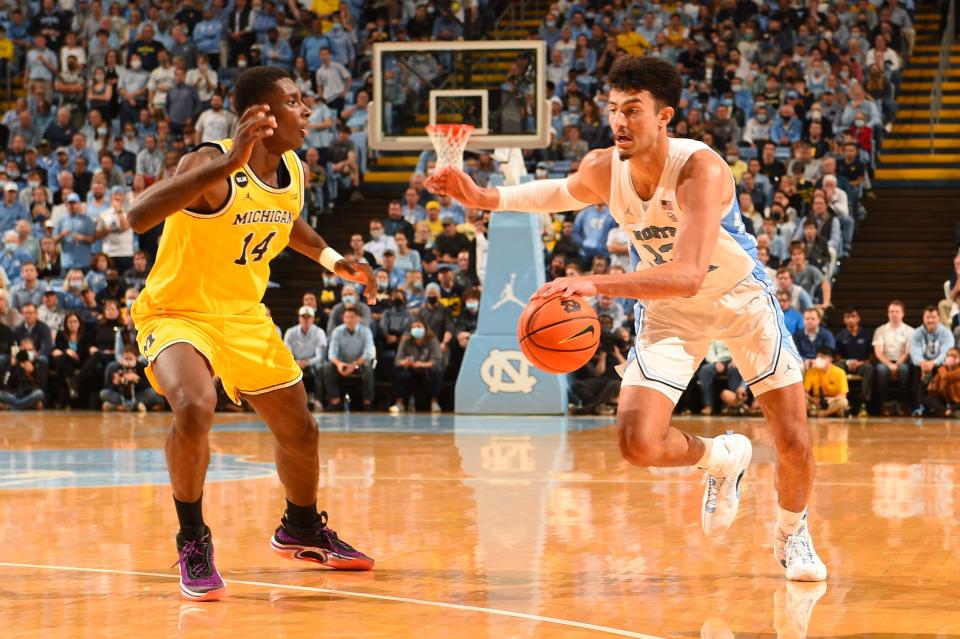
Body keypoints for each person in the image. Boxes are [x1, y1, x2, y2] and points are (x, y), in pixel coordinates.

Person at [426, 56, 826, 581]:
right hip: (670, 313)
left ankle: (792, 534)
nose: (619, 121)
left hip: (740, 299)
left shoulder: (699, 171)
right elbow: (557, 192)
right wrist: (483, 197)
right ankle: (721, 458)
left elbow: (686, 272)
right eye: (613, 109)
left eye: (633, 110)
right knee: (637, 442)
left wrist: (595, 284)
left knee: (793, 439)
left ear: (664, 116)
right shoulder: (603, 166)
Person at [125, 66, 376, 601]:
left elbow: (284, 220)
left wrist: (335, 260)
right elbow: (138, 215)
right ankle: (193, 539)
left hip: (243, 314)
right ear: (261, 116)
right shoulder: (208, 164)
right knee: (195, 405)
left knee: (301, 430)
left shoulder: (292, 168)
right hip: (178, 311)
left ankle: (302, 528)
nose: (306, 111)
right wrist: (230, 160)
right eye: (293, 101)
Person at [323, 306, 375, 411]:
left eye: (352, 317)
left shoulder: (366, 331)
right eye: (347, 317)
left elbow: (368, 354)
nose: (349, 319)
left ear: (358, 318)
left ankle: (367, 402)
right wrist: (339, 364)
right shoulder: (337, 331)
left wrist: (354, 365)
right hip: (342, 364)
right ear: (343, 318)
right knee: (327, 367)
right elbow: (331, 354)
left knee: (368, 368)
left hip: (359, 363)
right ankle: (335, 401)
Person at [910, 305, 956, 416]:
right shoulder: (916, 333)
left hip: (939, 364)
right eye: (928, 317)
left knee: (943, 370)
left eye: (933, 317)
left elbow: (947, 352)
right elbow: (914, 352)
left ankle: (939, 406)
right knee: (914, 370)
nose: (930, 320)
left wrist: (933, 363)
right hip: (922, 365)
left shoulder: (946, 333)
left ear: (938, 318)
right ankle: (918, 406)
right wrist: (922, 363)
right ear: (923, 318)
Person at [390, 321, 443, 414]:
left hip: (426, 370)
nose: (416, 329)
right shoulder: (405, 340)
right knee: (397, 370)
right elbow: (397, 360)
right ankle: (399, 403)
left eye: (419, 327)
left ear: (425, 329)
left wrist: (422, 364)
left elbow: (437, 360)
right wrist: (405, 362)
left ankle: (434, 402)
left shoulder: (432, 340)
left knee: (437, 370)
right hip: (410, 370)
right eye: (414, 327)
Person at [873, 300, 914, 416]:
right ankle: (885, 405)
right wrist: (890, 365)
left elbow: (907, 352)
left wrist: (897, 365)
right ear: (888, 313)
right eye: (891, 311)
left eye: (897, 311)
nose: (894, 314)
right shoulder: (880, 330)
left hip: (903, 361)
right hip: (885, 361)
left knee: (904, 370)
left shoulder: (910, 331)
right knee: (881, 370)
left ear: (903, 313)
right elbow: (879, 352)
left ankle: (903, 404)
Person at [282, 305, 327, 411]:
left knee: (320, 367)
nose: (306, 319)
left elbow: (320, 356)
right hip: (295, 362)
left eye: (308, 317)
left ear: (313, 319)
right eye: (303, 317)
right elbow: (287, 353)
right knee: (285, 368)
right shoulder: (291, 332)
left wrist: (307, 362)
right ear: (299, 318)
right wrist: (295, 362)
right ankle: (288, 401)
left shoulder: (319, 332)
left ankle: (318, 400)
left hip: (312, 362)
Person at [835, 307, 874, 417]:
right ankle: (841, 400)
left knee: (869, 368)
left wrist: (860, 363)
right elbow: (837, 357)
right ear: (844, 319)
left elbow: (872, 357)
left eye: (853, 316)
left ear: (858, 319)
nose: (850, 319)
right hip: (846, 364)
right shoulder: (840, 335)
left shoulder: (867, 334)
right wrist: (848, 362)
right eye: (848, 317)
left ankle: (864, 403)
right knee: (837, 367)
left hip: (862, 364)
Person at [803, 347, 850, 418]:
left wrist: (832, 400)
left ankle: (819, 414)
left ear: (830, 358)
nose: (819, 359)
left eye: (823, 357)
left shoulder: (840, 372)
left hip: (832, 400)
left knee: (843, 402)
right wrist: (813, 399)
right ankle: (833, 412)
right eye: (818, 357)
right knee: (803, 401)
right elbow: (804, 392)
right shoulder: (811, 372)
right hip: (816, 400)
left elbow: (843, 395)